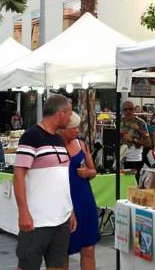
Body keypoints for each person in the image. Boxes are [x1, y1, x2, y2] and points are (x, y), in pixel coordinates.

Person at [14, 94, 76, 270]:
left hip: (61, 219)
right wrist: (23, 212)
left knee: (58, 266)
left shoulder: (58, 139)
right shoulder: (31, 136)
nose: (71, 118)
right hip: (37, 220)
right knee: (27, 265)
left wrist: (69, 210)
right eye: (69, 113)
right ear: (60, 113)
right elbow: (18, 176)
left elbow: (61, 178)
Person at [57, 113, 99, 270]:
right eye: (73, 127)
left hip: (84, 198)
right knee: (62, 251)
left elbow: (94, 171)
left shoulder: (82, 144)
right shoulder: (55, 147)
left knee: (88, 248)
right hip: (64, 199)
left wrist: (88, 173)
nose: (77, 130)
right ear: (62, 129)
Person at [120, 101, 151, 182]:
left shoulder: (140, 123)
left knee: (133, 182)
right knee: (122, 183)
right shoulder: (119, 122)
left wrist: (133, 140)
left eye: (130, 109)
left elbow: (148, 143)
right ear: (122, 111)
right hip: (121, 159)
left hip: (135, 159)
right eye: (125, 110)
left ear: (134, 110)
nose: (128, 111)